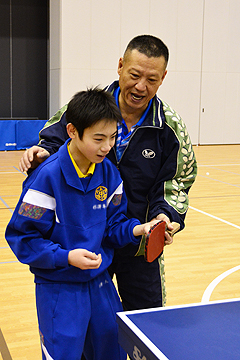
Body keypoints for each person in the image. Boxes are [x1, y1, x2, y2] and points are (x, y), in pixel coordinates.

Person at [19, 34, 197, 311]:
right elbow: (57, 139)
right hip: (86, 244)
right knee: (92, 329)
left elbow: (177, 181)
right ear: (120, 66)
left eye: (151, 80)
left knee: (145, 322)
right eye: (135, 75)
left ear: (163, 78)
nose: (140, 86)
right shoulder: (87, 108)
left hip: (138, 240)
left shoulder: (170, 128)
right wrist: (43, 152)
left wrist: (165, 215)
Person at [6, 88, 159, 360]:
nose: (106, 147)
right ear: (72, 131)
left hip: (100, 284)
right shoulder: (46, 178)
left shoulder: (109, 173)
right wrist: (66, 257)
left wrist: (138, 229)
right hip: (59, 288)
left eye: (112, 137)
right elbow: (23, 238)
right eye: (98, 138)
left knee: (112, 350)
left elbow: (113, 225)